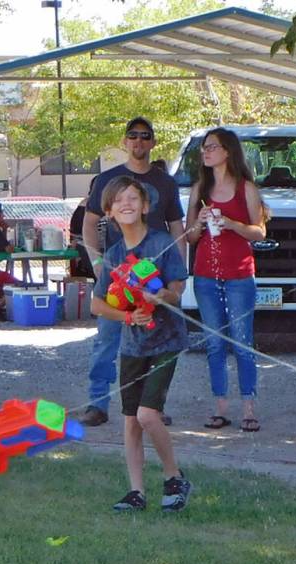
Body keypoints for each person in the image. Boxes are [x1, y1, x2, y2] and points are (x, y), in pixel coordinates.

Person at [89, 175, 191, 512]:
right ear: (108, 211)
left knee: (148, 415)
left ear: (145, 206)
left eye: (133, 198)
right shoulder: (114, 255)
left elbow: (177, 291)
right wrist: (128, 318)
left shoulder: (162, 243)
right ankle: (136, 492)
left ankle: (174, 477)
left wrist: (162, 296)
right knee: (131, 420)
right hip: (132, 346)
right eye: (118, 201)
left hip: (166, 342)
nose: (126, 204)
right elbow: (97, 304)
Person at [79, 117, 186, 427]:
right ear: (125, 142)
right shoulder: (107, 179)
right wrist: (98, 262)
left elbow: (177, 227)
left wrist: (177, 276)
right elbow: (89, 223)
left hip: (156, 276)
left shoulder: (165, 183)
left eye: (145, 136)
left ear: (153, 143)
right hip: (117, 275)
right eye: (133, 136)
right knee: (107, 339)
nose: (138, 141)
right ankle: (98, 404)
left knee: (157, 340)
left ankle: (152, 406)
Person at [185, 127, 266, 433]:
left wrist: (232, 223)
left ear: (228, 152)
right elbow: (190, 237)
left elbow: (259, 231)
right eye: (204, 148)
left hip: (240, 275)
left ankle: (249, 408)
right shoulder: (199, 190)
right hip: (205, 275)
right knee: (215, 343)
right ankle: (220, 407)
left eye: (212, 147)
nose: (206, 152)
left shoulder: (246, 188)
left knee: (242, 343)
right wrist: (201, 223)